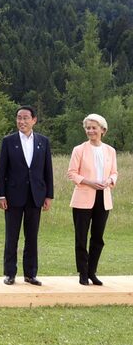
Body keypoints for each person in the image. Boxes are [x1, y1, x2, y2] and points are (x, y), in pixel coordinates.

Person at [0, 105, 53, 286]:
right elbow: (2, 170)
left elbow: (47, 170)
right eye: (19, 118)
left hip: (35, 196)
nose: (22, 121)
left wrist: (48, 195)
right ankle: (9, 273)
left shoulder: (43, 142)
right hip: (13, 196)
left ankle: (30, 273)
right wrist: (1, 195)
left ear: (34, 120)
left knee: (32, 236)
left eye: (26, 118)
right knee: (11, 236)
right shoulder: (8, 141)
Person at [68, 113, 118, 286]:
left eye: (94, 128)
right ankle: (82, 273)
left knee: (98, 238)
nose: (90, 131)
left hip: (103, 198)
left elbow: (114, 172)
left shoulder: (110, 151)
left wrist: (110, 180)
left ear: (103, 130)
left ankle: (92, 272)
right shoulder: (79, 150)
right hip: (83, 198)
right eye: (88, 128)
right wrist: (89, 182)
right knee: (81, 237)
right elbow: (72, 173)